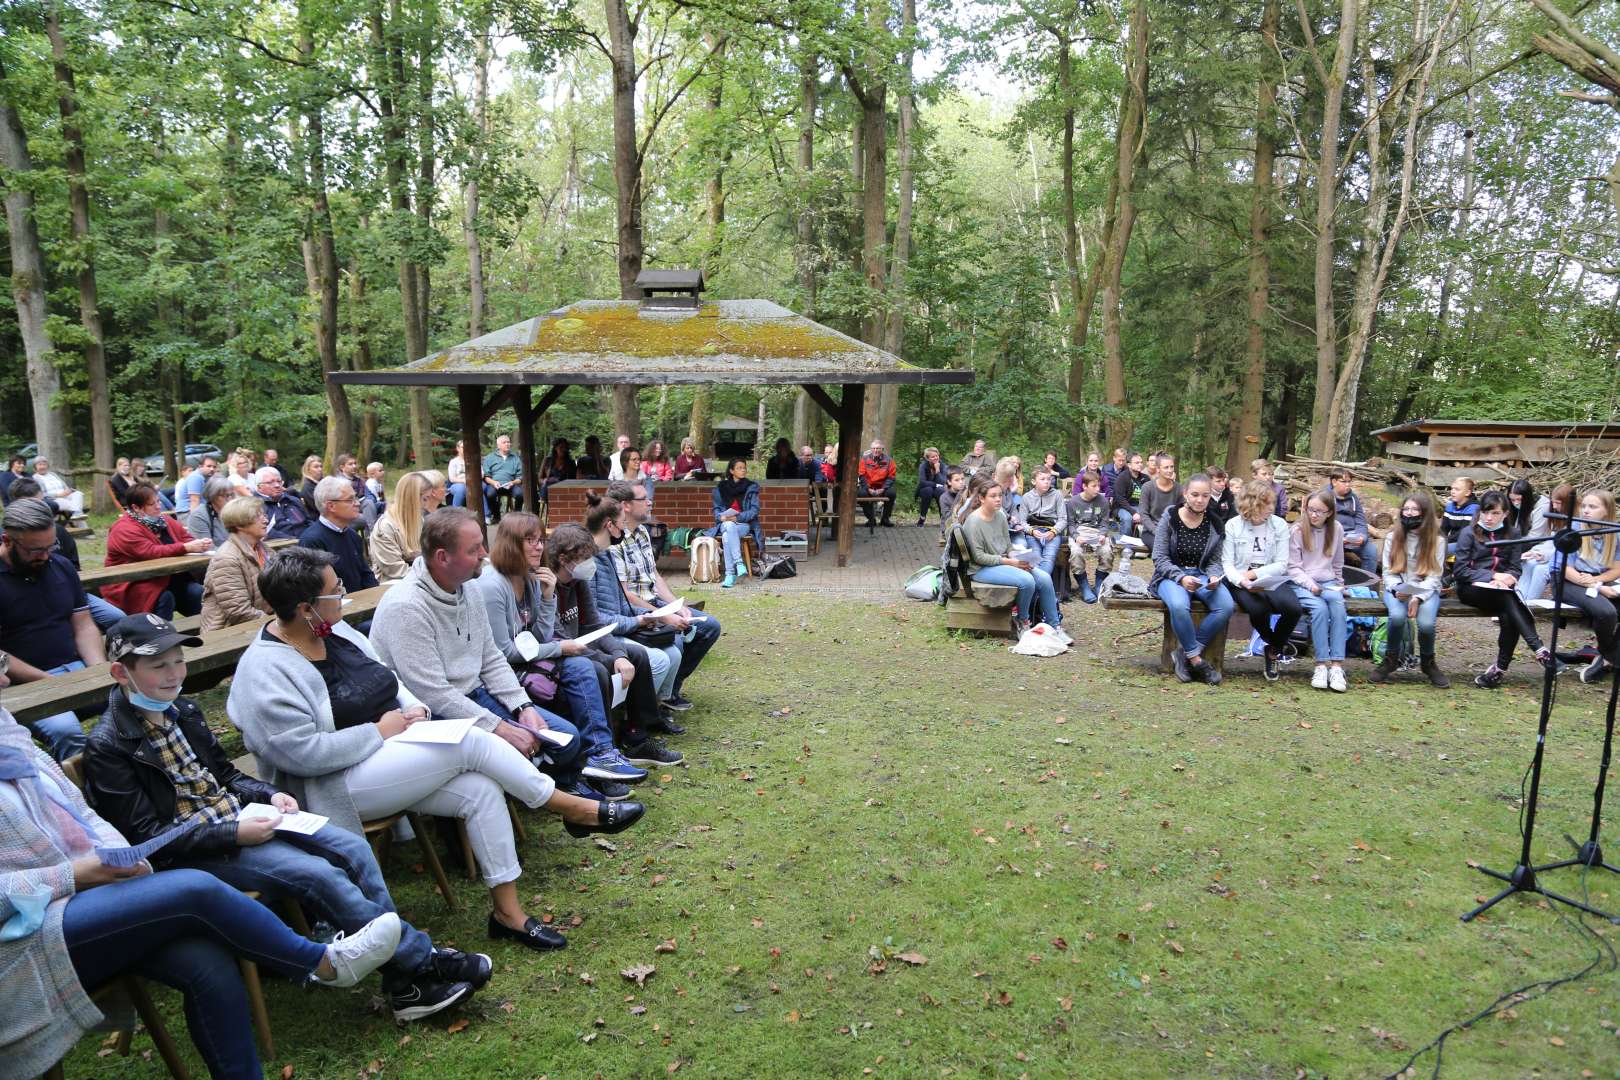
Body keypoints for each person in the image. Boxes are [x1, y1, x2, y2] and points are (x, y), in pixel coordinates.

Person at [232, 546, 640, 954]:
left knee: (481, 788)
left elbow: (386, 678)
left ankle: (508, 914)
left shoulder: (336, 631)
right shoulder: (265, 670)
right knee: (468, 739)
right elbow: (301, 754)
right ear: (306, 608)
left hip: (390, 755)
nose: (343, 595)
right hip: (331, 784)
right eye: (335, 591)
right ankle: (567, 806)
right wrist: (379, 731)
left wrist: (412, 706)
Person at [82, 614, 484, 1022]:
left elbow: (226, 775)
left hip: (246, 820)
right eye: (158, 666)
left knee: (351, 846)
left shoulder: (182, 710)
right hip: (201, 852)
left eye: (178, 661)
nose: (173, 674)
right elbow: (149, 837)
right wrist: (233, 833)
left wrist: (269, 793)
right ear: (121, 672)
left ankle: (406, 979)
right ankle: (421, 963)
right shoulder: (108, 745)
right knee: (319, 875)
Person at [0, 693, 404, 1080]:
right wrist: (76, 874)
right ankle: (321, 963)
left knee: (209, 964)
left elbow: (85, 818)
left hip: (90, 900)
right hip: (25, 933)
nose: (5, 681)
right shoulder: (90, 739)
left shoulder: (14, 738)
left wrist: (124, 857)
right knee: (193, 889)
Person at [471, 513, 649, 799]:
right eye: (529, 541)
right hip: (505, 673)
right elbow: (503, 652)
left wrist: (547, 594)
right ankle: (578, 771)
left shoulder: (530, 578)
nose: (538, 547)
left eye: (540, 540)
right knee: (587, 667)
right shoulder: (493, 586)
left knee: (582, 666)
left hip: (532, 660)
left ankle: (600, 752)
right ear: (508, 544)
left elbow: (540, 635)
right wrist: (560, 648)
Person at [0, 498, 107, 758]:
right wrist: (51, 683)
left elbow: (83, 625)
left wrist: (99, 671)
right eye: (35, 550)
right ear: (7, 540)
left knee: (130, 702)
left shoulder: (60, 565)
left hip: (76, 668)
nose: (46, 556)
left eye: (51, 546)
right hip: (23, 684)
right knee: (66, 731)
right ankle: (81, 795)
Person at [608, 478, 720, 710]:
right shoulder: (613, 542)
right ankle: (655, 702)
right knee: (674, 637)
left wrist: (676, 605)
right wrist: (664, 616)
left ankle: (671, 690)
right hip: (635, 610)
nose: (650, 503)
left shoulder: (642, 533)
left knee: (709, 626)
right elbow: (625, 595)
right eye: (643, 499)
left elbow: (655, 576)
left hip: (655, 603)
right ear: (626, 505)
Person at [586, 496, 684, 713]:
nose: (624, 530)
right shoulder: (588, 563)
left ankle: (654, 711)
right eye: (622, 524)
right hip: (604, 635)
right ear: (609, 525)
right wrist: (636, 621)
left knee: (674, 652)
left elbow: (622, 603)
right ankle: (633, 718)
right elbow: (593, 620)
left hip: (619, 626)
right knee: (658, 660)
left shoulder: (606, 555)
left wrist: (651, 616)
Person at [1455, 490, 1555, 689]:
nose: (1489, 518)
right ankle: (1539, 648)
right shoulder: (1469, 533)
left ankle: (1498, 671)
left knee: (1509, 612)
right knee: (1509, 601)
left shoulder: (1513, 534)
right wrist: (1493, 576)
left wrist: (1509, 579)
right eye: (1485, 512)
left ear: (1506, 514)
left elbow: (1515, 567)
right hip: (1471, 589)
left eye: (1495, 513)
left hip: (1502, 591)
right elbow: (1460, 571)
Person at [1149, 473, 1232, 685]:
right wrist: (1181, 577)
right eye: (1195, 494)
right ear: (1185, 493)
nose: (1199, 500)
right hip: (1170, 576)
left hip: (1202, 575)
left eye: (1205, 495)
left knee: (1225, 605)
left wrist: (1214, 575)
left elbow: (1214, 560)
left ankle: (1184, 653)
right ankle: (1196, 660)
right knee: (1179, 605)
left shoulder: (1214, 522)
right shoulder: (1170, 517)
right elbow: (1159, 557)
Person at [961, 481, 1064, 639]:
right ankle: (1022, 621)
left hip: (1002, 563)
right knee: (1027, 581)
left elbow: (1008, 546)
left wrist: (1021, 558)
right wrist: (1011, 563)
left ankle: (1054, 625)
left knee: (1043, 577)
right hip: (981, 569)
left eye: (1000, 495)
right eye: (993, 496)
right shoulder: (974, 522)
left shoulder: (1000, 515)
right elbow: (979, 557)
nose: (998, 499)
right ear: (982, 499)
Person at [1222, 478, 1300, 682]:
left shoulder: (1279, 525)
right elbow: (1227, 564)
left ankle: (1273, 647)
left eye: (1272, 503)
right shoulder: (1233, 525)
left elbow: (1282, 563)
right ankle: (1276, 648)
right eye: (1266, 504)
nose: (1271, 508)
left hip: (1269, 577)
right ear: (1252, 504)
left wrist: (1256, 575)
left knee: (1292, 608)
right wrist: (1243, 581)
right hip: (1240, 579)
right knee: (1258, 610)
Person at [1370, 490, 1449, 687]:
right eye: (1406, 509)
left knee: (1426, 624)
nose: (1410, 513)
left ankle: (1429, 663)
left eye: (1415, 509)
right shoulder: (1392, 538)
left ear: (1425, 513)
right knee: (1397, 617)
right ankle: (1391, 660)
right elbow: (1388, 572)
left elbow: (1434, 576)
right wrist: (1398, 590)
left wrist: (1417, 597)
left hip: (1426, 590)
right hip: (1398, 588)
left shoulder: (1437, 540)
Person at [101, 484, 211, 620]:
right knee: (164, 598)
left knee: (197, 592)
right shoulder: (123, 529)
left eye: (158, 501)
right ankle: (161, 638)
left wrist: (201, 544)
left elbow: (186, 538)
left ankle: (207, 632)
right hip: (132, 584)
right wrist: (186, 547)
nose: (159, 506)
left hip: (167, 579)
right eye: (152, 504)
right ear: (136, 508)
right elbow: (150, 552)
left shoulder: (164, 521)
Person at [1556, 489, 1620, 684]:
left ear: (1606, 511)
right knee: (1607, 612)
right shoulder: (1573, 529)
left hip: (1598, 580)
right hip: (1570, 581)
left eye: (1592, 507)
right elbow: (1565, 568)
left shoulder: (1615, 532)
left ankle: (1605, 658)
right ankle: (1609, 657)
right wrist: (1591, 583)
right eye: (1584, 506)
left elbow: (1617, 569)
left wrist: (1598, 581)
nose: (1586, 511)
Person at [1289, 490, 1349, 692]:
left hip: (1328, 582)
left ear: (1330, 513)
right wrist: (1310, 585)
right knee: (1320, 610)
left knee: (1338, 606)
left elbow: (1338, 561)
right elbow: (1293, 568)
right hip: (1303, 583)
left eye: (1319, 511)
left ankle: (1337, 665)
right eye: (1310, 510)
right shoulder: (1297, 530)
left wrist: (1341, 585)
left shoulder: (1337, 529)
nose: (1314, 515)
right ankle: (1321, 664)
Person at [201, 496, 274, 631]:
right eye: (257, 516)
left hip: (261, 622)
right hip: (228, 631)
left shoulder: (264, 550)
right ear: (239, 524)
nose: (265, 520)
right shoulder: (226, 558)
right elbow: (239, 611)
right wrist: (276, 622)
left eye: (263, 514)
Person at [298, 476, 379, 595]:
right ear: (331, 506)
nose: (357, 503)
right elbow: (318, 590)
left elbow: (366, 574)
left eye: (355, 498)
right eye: (350, 500)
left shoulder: (352, 535)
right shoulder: (312, 541)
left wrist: (376, 596)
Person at [371, 470, 446, 583]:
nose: (426, 504)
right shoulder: (385, 527)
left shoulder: (420, 519)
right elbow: (395, 570)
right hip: (396, 585)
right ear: (412, 498)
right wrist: (435, 573)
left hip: (421, 579)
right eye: (424, 499)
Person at [1519, 483, 1576, 603]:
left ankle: (1529, 605)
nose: (1554, 506)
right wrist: (1535, 552)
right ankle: (1519, 601)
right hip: (1551, 554)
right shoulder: (1559, 516)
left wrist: (1544, 556)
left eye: (1558, 503)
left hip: (1568, 561)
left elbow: (1567, 548)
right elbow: (1552, 541)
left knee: (1540, 570)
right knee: (1528, 563)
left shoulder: (1576, 520)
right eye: (1553, 502)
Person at [1064, 468, 1114, 604]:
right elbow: (1071, 524)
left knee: (1107, 551)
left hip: (1097, 531)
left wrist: (1103, 534)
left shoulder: (1103, 501)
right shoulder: (1073, 502)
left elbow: (1105, 523)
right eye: (1094, 486)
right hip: (1079, 532)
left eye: (1098, 485)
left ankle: (1099, 583)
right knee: (1075, 552)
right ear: (1084, 487)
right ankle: (1084, 586)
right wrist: (1076, 536)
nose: (1098, 489)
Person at [709, 458, 761, 589]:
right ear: (732, 471)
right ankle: (738, 564)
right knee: (728, 531)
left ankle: (730, 573)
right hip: (726, 524)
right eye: (739, 468)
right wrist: (720, 517)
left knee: (728, 531)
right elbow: (716, 509)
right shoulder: (721, 488)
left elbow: (754, 511)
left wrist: (737, 518)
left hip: (743, 524)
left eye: (744, 468)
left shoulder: (751, 487)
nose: (743, 470)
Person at [1014, 466, 1066, 576]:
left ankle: (1039, 585)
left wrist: (1054, 532)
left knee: (1049, 557)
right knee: (1036, 558)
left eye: (1048, 479)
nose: (1047, 482)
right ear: (1034, 481)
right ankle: (1042, 585)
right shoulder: (1027, 497)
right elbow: (1022, 521)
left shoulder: (1057, 495)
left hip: (1051, 531)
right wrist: (1031, 531)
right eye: (1042, 479)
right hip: (1033, 533)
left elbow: (1063, 519)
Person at [1329, 468, 1377, 572]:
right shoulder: (1325, 497)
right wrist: (1338, 539)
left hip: (1353, 536)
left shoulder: (1353, 498)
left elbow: (1361, 521)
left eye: (1349, 482)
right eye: (1344, 482)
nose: (1348, 485)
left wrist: (1362, 537)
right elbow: (1322, 524)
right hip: (1333, 537)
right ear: (1334, 482)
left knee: (1371, 551)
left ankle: (1366, 585)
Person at [1138, 454, 1182, 554]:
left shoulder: (1179, 489)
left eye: (1172, 467)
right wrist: (1156, 531)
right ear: (1158, 469)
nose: (1170, 470)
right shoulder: (1147, 487)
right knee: (1162, 549)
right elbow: (1143, 514)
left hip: (1172, 531)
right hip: (1151, 532)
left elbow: (1182, 513)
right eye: (1166, 467)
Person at [255, 465, 312, 541]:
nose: (277, 485)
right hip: (281, 546)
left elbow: (309, 521)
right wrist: (294, 540)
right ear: (259, 487)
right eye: (270, 482)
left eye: (279, 481)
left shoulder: (293, 500)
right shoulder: (255, 506)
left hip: (308, 541)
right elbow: (267, 532)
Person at [185, 475, 235, 549]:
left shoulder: (234, 511)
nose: (230, 499)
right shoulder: (199, 516)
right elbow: (207, 548)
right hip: (215, 557)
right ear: (212, 496)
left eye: (231, 495)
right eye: (225, 496)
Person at [1440, 476, 1480, 554]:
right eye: (1452, 488)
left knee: (1440, 549)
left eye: (1457, 489)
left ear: (1467, 492)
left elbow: (1464, 533)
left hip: (1468, 543)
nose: (1452, 492)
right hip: (1452, 540)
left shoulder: (1473, 508)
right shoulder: (1450, 506)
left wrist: (1444, 542)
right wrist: (1440, 540)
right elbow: (1444, 529)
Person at [1111, 452, 1147, 536]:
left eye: (1141, 462)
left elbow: (1149, 497)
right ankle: (1126, 546)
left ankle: (1145, 544)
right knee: (1127, 519)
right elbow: (1120, 499)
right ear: (1129, 465)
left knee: (1150, 518)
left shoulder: (1146, 478)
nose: (1140, 464)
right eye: (1137, 463)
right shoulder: (1122, 477)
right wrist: (1134, 513)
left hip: (1140, 507)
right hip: (1122, 507)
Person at [916, 447, 948, 526]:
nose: (935, 458)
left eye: (937, 456)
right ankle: (922, 518)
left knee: (941, 491)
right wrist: (935, 484)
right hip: (925, 488)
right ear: (927, 458)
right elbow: (922, 482)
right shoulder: (923, 466)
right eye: (933, 457)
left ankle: (943, 518)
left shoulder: (943, 466)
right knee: (928, 490)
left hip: (938, 489)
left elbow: (943, 482)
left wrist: (937, 471)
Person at [537, 439, 575, 504]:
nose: (563, 449)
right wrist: (544, 480)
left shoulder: (571, 463)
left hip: (564, 490)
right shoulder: (547, 460)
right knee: (548, 485)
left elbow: (574, 480)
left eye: (565, 448)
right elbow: (539, 479)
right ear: (555, 448)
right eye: (561, 447)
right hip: (548, 489)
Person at [938, 467, 968, 538]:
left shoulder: (967, 492)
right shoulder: (944, 497)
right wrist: (959, 496)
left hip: (964, 526)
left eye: (962, 479)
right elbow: (948, 517)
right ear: (949, 482)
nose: (961, 482)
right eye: (957, 480)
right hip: (950, 528)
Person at [447, 440, 469, 506]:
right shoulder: (453, 462)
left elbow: (481, 473)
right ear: (458, 448)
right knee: (461, 489)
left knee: (481, 488)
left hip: (473, 483)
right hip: (457, 484)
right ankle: (455, 513)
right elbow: (452, 479)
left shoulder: (473, 460)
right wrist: (465, 481)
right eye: (463, 447)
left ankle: (485, 514)